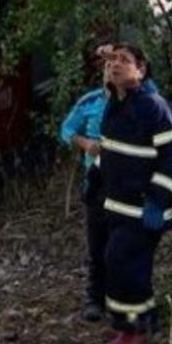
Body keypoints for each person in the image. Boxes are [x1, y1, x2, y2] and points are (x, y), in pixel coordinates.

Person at [98, 43, 172, 344]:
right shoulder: (115, 105)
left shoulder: (153, 107)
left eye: (125, 60)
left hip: (144, 209)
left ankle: (134, 330)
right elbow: (111, 151)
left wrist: (158, 201)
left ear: (141, 70)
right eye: (112, 61)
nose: (115, 64)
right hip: (118, 206)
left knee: (124, 264)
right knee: (121, 264)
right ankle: (137, 321)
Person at [59, 40, 114, 321]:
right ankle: (95, 298)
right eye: (107, 67)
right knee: (97, 242)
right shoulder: (91, 101)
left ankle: (122, 298)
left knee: (123, 242)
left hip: (127, 181)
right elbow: (66, 129)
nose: (112, 71)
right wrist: (85, 144)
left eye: (118, 65)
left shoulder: (139, 100)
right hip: (97, 180)